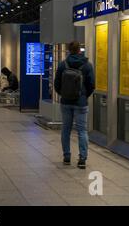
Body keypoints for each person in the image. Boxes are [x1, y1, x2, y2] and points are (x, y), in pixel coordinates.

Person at [54, 41, 95, 169]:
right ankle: (82, 159)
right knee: (82, 130)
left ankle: (67, 157)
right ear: (79, 50)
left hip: (66, 102)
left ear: (69, 50)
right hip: (81, 103)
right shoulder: (87, 65)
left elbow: (56, 84)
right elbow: (92, 85)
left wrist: (64, 94)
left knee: (66, 129)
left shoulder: (62, 65)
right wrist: (83, 96)